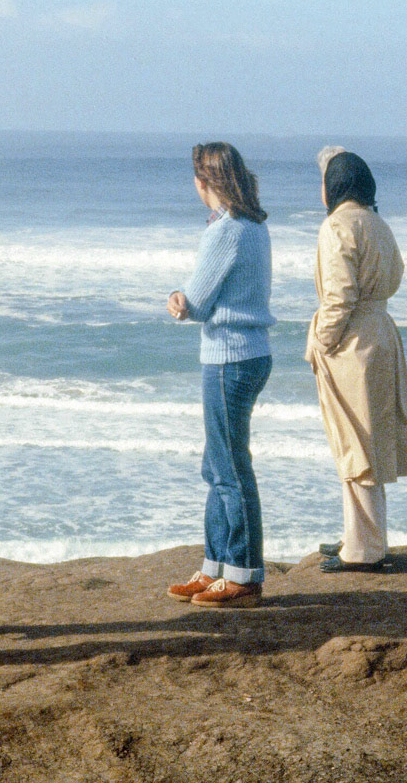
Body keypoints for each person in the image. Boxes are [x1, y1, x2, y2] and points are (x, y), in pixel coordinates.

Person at [164, 142, 276, 609]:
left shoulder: (226, 231)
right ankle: (216, 567)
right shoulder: (252, 225)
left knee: (228, 467)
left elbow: (198, 302)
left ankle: (243, 574)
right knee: (218, 465)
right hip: (247, 353)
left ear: (203, 181)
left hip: (229, 356)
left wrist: (177, 300)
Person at [305, 147, 407, 573]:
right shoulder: (377, 222)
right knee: (368, 442)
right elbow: (397, 275)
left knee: (355, 445)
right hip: (380, 332)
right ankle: (362, 536)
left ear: (333, 186)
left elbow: (338, 297)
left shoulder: (337, 226)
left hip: (352, 342)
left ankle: (364, 548)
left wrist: (322, 340)